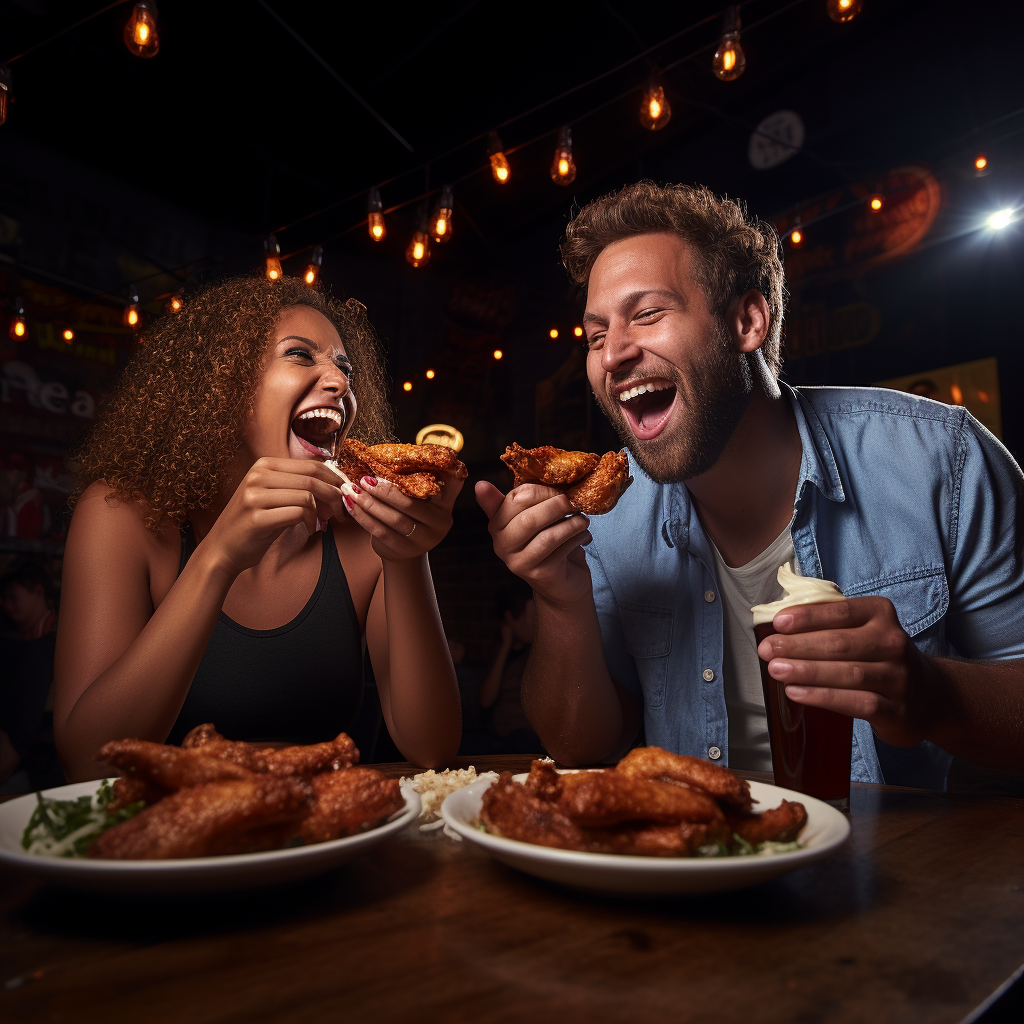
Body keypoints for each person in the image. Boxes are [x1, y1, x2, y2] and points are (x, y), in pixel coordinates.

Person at [476, 182, 1024, 788]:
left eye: (648, 314)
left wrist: (931, 695)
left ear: (747, 321)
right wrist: (557, 596)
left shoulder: (940, 459)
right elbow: (583, 746)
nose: (612, 356)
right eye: (597, 336)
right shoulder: (607, 522)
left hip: (919, 874)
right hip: (707, 869)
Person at [55, 277, 461, 781]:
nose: (338, 380)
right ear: (220, 384)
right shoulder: (121, 516)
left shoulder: (363, 538)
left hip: (319, 840)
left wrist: (406, 553)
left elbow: (432, 750)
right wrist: (217, 559)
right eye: (300, 355)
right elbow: (87, 761)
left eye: (345, 366)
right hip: (163, 849)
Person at [0, 561, 62, 791]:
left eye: (13, 596)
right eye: (3, 599)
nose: (6, 605)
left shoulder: (45, 645)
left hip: (35, 771)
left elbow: (19, 734)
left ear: (38, 591)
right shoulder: (26, 642)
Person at [476, 580, 542, 753]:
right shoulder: (497, 653)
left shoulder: (540, 652)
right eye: (529, 618)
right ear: (510, 619)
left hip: (529, 737)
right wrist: (506, 646)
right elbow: (485, 700)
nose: (534, 624)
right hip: (501, 737)